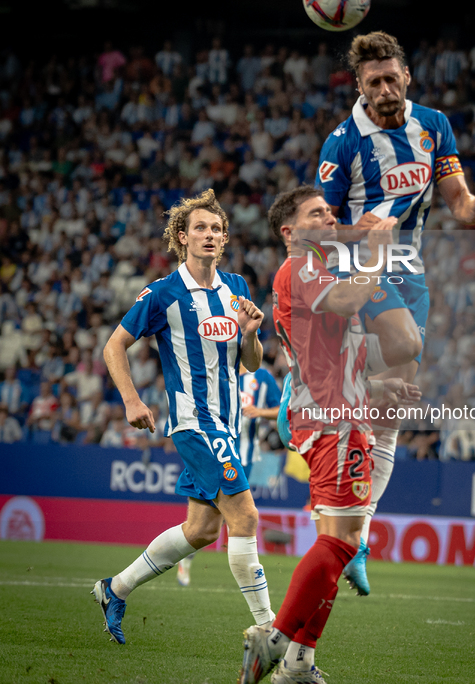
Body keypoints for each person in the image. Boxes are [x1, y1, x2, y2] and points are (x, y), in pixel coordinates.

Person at [314, 31, 475, 595]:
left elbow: (458, 202)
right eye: (373, 81)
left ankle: (357, 537)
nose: (384, 88)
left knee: (394, 407)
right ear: (359, 86)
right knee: (405, 345)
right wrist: (367, 231)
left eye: (391, 78)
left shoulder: (434, 125)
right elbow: (317, 230)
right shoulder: (344, 142)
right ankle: (309, 407)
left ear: (407, 77)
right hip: (360, 269)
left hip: (411, 270)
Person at [239, 186, 420, 684]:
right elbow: (346, 300)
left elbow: (324, 359)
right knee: (341, 543)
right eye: (317, 212)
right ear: (289, 231)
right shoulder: (301, 268)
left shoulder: (308, 272)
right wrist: (379, 254)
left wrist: (380, 384)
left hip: (339, 412)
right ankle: (274, 642)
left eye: (330, 210)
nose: (330, 216)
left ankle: (298, 665)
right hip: (332, 422)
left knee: (340, 540)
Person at [92, 190, 274, 644]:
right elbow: (113, 346)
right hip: (196, 424)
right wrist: (132, 401)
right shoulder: (163, 294)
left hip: (227, 424)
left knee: (201, 529)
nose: (209, 235)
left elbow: (251, 362)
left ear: (225, 237)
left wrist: (251, 334)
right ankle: (272, 632)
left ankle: (115, 588)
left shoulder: (237, 288)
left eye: (216, 229)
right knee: (245, 518)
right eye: (200, 228)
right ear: (182, 237)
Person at [177, 361, 281, 587]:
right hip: (213, 452)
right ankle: (186, 552)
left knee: (229, 514)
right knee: (215, 515)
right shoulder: (217, 368)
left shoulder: (262, 377)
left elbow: (282, 410)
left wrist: (260, 412)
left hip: (244, 457)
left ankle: (189, 554)